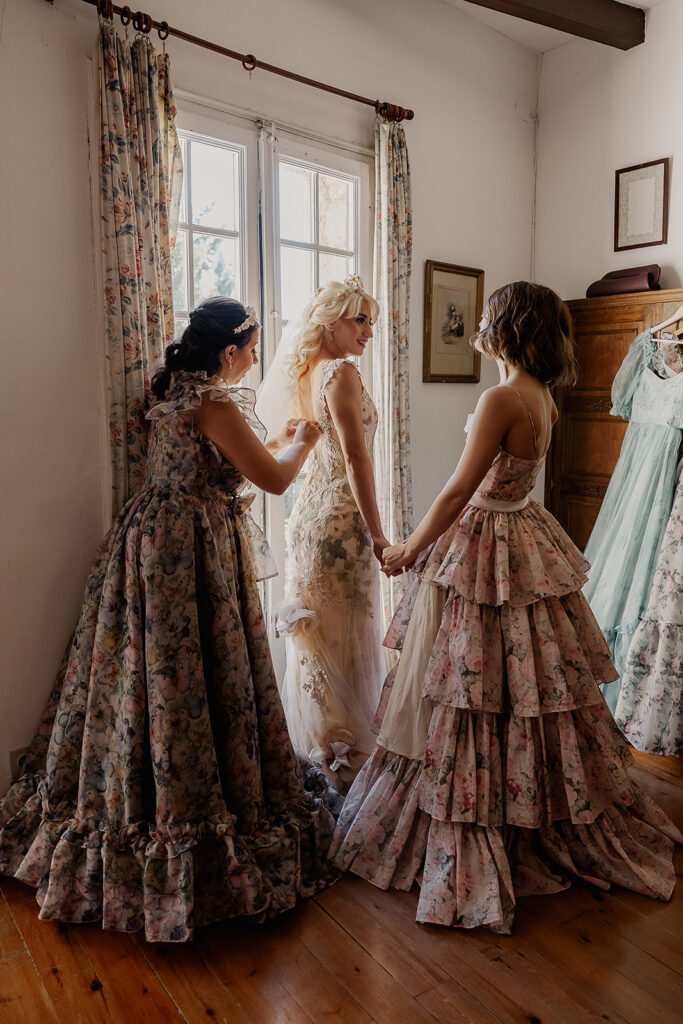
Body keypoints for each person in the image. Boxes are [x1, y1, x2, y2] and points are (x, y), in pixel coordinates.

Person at [330, 281, 681, 934]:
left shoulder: (501, 395)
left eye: (490, 316)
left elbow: (459, 489)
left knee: (470, 686)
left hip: (484, 539)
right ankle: (524, 796)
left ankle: (472, 807)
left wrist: (407, 547)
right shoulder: (540, 394)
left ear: (508, 326)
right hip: (520, 531)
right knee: (517, 683)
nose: (481, 324)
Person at [0, 297, 339, 942]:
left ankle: (143, 795)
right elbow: (270, 479)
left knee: (150, 680)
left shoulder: (172, 395)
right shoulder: (212, 402)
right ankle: (188, 819)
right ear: (229, 352)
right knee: (191, 679)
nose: (259, 358)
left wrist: (269, 442)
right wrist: (302, 442)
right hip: (188, 553)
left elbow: (221, 460)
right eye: (253, 347)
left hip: (150, 542)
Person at [257, 276, 388, 793]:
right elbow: (356, 458)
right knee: (345, 636)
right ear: (330, 321)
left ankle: (326, 755)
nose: (368, 333)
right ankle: (349, 764)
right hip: (341, 522)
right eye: (361, 321)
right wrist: (379, 536)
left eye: (371, 323)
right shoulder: (341, 372)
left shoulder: (306, 371)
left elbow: (278, 441)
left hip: (310, 519)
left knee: (323, 637)